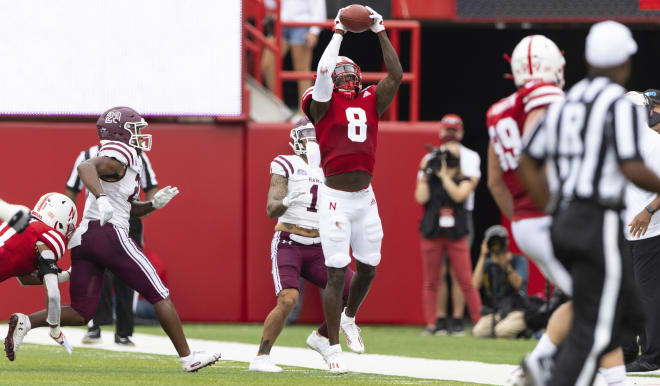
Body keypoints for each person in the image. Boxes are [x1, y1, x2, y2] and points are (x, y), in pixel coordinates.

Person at [4, 106, 220, 372]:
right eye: (135, 130)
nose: (141, 135)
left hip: (85, 239)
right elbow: (86, 167)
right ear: (119, 132)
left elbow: (130, 208)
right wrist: (102, 198)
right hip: (109, 234)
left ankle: (26, 321)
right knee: (159, 293)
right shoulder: (121, 151)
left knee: (83, 311)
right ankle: (188, 357)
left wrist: (153, 205)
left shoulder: (126, 161)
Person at [519, 21, 653, 385]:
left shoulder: (565, 102)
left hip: (565, 220)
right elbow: (631, 165)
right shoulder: (620, 105)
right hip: (599, 221)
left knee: (620, 313)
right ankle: (547, 369)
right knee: (598, 325)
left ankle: (550, 362)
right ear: (624, 62)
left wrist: (551, 206)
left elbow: (527, 159)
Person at [302, 6, 402, 373]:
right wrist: (339, 32)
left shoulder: (371, 98)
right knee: (337, 272)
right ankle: (330, 348)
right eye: (339, 72)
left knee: (370, 269)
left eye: (350, 72)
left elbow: (396, 73)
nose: (344, 76)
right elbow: (325, 70)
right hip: (334, 199)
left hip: (365, 197)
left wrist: (380, 31)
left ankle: (346, 319)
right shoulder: (322, 107)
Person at [249, 120, 358, 372]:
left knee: (352, 288)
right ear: (294, 139)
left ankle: (320, 337)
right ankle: (261, 357)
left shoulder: (329, 168)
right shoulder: (285, 163)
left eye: (314, 136)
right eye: (306, 136)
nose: (311, 140)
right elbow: (271, 208)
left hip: (319, 243)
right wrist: (286, 200)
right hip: (289, 240)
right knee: (288, 299)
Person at [65, 141, 159, 346]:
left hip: (128, 218)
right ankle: (95, 325)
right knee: (97, 273)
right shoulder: (88, 154)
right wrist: (70, 219)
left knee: (129, 275)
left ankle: (124, 331)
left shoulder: (138, 155)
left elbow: (150, 186)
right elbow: (73, 188)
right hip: (99, 215)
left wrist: (150, 207)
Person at [414, 142, 482, 336]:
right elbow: (420, 198)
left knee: (465, 279)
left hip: (456, 233)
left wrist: (444, 176)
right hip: (432, 232)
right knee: (431, 281)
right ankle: (432, 323)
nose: (447, 163)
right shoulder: (430, 179)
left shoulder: (464, 179)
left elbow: (459, 196)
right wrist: (425, 173)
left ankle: (479, 322)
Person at [2, 193, 77, 359]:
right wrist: (55, 328)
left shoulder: (23, 223)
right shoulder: (47, 237)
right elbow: (52, 294)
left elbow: (24, 278)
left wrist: (67, 275)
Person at [621, 90, 660, 372]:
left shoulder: (653, 142)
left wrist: (648, 212)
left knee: (647, 294)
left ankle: (653, 356)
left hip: (650, 230)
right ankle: (625, 352)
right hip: (623, 231)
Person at [262, 0, 326, 119]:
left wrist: (314, 32)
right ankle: (278, 106)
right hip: (279, 23)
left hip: (301, 24)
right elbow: (270, 4)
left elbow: (318, 5)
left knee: (301, 71)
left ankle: (304, 112)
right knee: (267, 65)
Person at [472, 225, 528, 339]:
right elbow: (475, 284)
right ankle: (510, 328)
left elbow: (518, 284)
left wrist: (505, 264)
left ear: (507, 241)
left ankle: (525, 329)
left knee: (501, 331)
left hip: (516, 309)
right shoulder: (487, 263)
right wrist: (482, 256)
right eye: (493, 242)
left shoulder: (518, 260)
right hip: (497, 311)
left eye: (499, 241)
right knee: (478, 331)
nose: (496, 245)